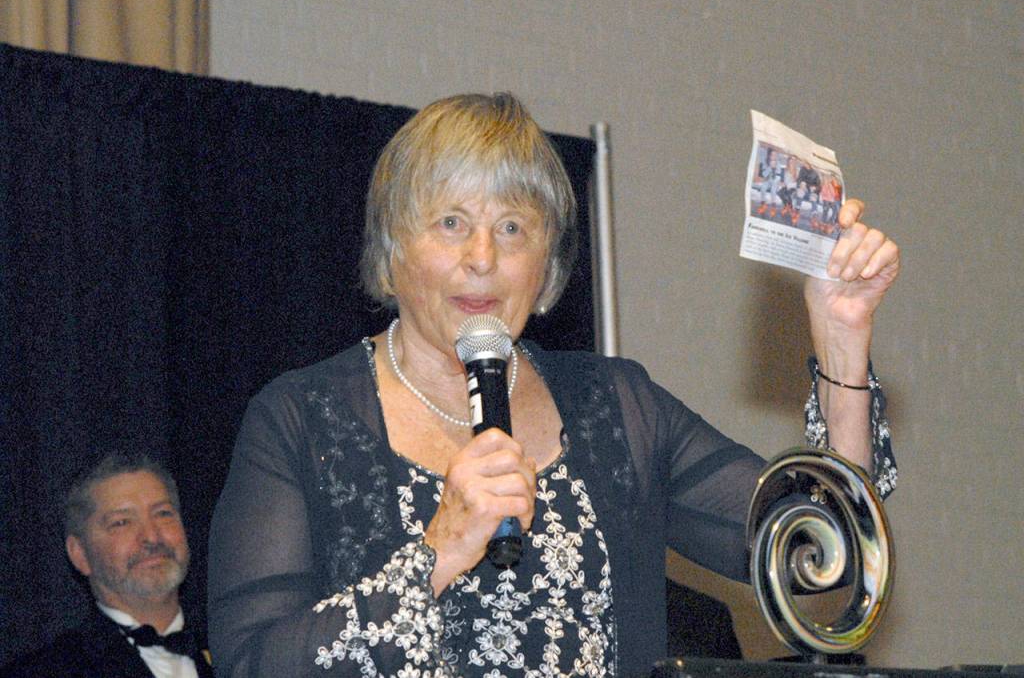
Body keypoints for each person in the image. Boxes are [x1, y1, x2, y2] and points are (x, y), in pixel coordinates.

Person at [207, 92, 900, 677]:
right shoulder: (301, 418)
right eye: (452, 223)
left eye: (513, 228)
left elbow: (827, 545)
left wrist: (841, 337)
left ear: (547, 267)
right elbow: (251, 660)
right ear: (392, 246)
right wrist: (439, 549)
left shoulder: (617, 407)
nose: (483, 259)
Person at [2, 453, 214, 678]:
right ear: (80, 554)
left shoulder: (235, 645)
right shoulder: (42, 672)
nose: (152, 537)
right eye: (121, 523)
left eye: (163, 514)